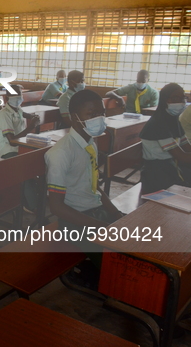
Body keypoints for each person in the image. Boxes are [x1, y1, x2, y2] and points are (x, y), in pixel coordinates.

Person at [45, 90, 123, 284]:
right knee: (122, 267)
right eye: (92, 114)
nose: (99, 118)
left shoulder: (90, 143)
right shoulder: (61, 153)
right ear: (74, 118)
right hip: (75, 221)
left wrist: (115, 213)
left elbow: (94, 186)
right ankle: (90, 274)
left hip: (95, 213)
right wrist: (102, 227)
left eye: (101, 113)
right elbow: (56, 207)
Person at [139, 83, 191, 194]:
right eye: (175, 98)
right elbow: (181, 156)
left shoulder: (173, 120)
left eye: (183, 98)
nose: (180, 102)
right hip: (156, 174)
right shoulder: (158, 123)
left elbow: (187, 147)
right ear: (164, 100)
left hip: (169, 166)